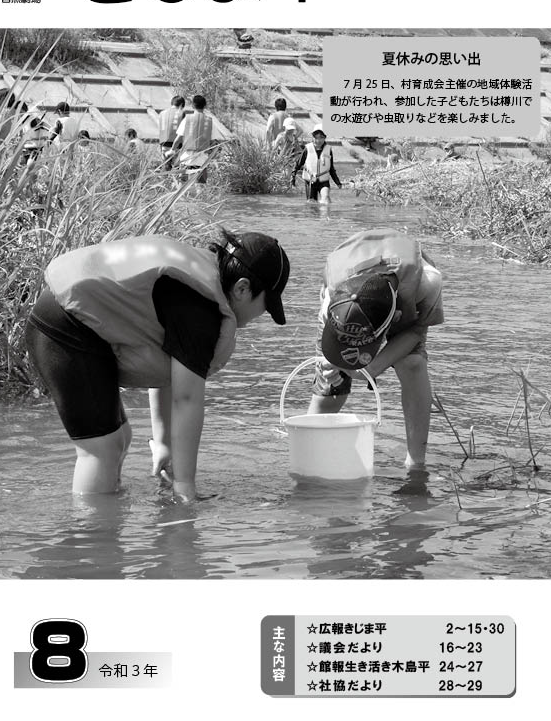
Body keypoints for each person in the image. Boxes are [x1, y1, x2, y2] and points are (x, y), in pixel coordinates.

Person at [25, 229, 290, 503]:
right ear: (242, 288)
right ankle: (91, 536)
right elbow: (186, 400)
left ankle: (104, 529)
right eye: (265, 306)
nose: (261, 316)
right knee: (102, 448)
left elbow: (166, 373)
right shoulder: (201, 313)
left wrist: (163, 445)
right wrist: (185, 488)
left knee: (119, 439)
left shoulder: (196, 287)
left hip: (69, 321)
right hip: (64, 330)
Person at [308, 227, 444, 494]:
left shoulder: (427, 281)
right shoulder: (331, 299)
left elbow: (415, 332)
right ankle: (309, 446)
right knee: (331, 389)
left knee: (412, 363)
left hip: (404, 296)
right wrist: (333, 367)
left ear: (391, 323)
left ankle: (416, 464)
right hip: (349, 282)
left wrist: (371, 368)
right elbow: (330, 353)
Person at [291, 124, 342, 203]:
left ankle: (325, 215)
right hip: (310, 181)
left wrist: (337, 182)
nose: (318, 140)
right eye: (316, 138)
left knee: (326, 199)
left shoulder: (328, 150)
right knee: (312, 203)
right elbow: (298, 164)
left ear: (325, 137)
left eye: (321, 137)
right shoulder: (307, 149)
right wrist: (292, 179)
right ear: (313, 137)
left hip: (324, 181)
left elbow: (331, 168)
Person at [171, 94, 215, 184]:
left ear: (192, 105)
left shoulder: (187, 119)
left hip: (186, 158)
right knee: (201, 185)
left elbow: (178, 139)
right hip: (202, 159)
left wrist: (172, 150)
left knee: (181, 184)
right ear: (205, 106)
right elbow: (213, 141)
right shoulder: (209, 121)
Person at [157, 96, 185, 169]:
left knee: (165, 167)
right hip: (176, 145)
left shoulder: (162, 113)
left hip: (164, 144)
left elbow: (160, 130)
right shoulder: (181, 113)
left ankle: (165, 179)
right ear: (181, 105)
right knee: (176, 169)